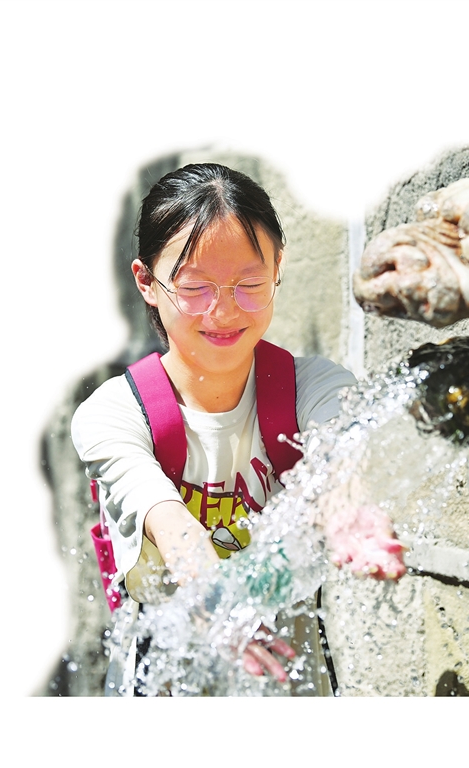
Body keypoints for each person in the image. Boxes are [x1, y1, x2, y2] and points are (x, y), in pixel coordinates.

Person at [71, 163, 403, 696]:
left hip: (290, 669)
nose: (224, 311)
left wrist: (352, 513)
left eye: (249, 284)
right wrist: (222, 606)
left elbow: (339, 463)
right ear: (147, 283)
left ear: (278, 268)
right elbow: (170, 525)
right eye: (194, 287)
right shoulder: (114, 414)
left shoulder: (316, 388)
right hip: (165, 676)